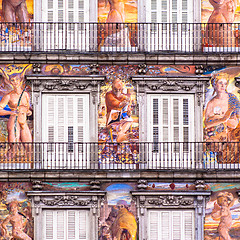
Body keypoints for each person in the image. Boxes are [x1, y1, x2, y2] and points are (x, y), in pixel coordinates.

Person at [0, 71, 32, 158]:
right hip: (14, 120)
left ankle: (30, 166)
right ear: (10, 82)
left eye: (17, 79)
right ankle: (7, 163)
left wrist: (28, 112)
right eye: (13, 80)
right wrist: (12, 112)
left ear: (20, 80)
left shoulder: (25, 94)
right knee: (14, 146)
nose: (15, 82)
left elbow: (28, 108)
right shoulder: (8, 96)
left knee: (28, 146)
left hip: (23, 121)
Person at [204, 72, 240, 142]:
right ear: (214, 84)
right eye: (220, 83)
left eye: (225, 83)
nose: (223, 86)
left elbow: (234, 124)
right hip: (213, 140)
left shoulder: (232, 99)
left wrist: (216, 118)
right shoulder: (210, 103)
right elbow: (207, 124)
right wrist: (223, 119)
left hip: (228, 139)